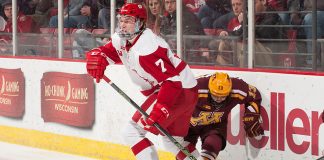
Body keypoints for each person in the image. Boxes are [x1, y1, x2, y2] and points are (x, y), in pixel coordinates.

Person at [85, 3, 200, 160]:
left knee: (132, 132)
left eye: (128, 20)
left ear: (140, 23)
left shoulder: (147, 48)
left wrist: (162, 107)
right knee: (173, 141)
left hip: (179, 91)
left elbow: (172, 81)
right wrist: (98, 57)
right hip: (185, 89)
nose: (123, 24)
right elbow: (110, 51)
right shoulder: (123, 38)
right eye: (121, 19)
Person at [179, 72, 264, 160]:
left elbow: (255, 96)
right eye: (215, 95)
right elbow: (174, 99)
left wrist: (251, 119)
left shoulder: (238, 88)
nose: (219, 99)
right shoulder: (196, 87)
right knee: (182, 153)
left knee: (213, 145)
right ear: (209, 89)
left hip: (215, 124)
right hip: (188, 124)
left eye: (223, 96)